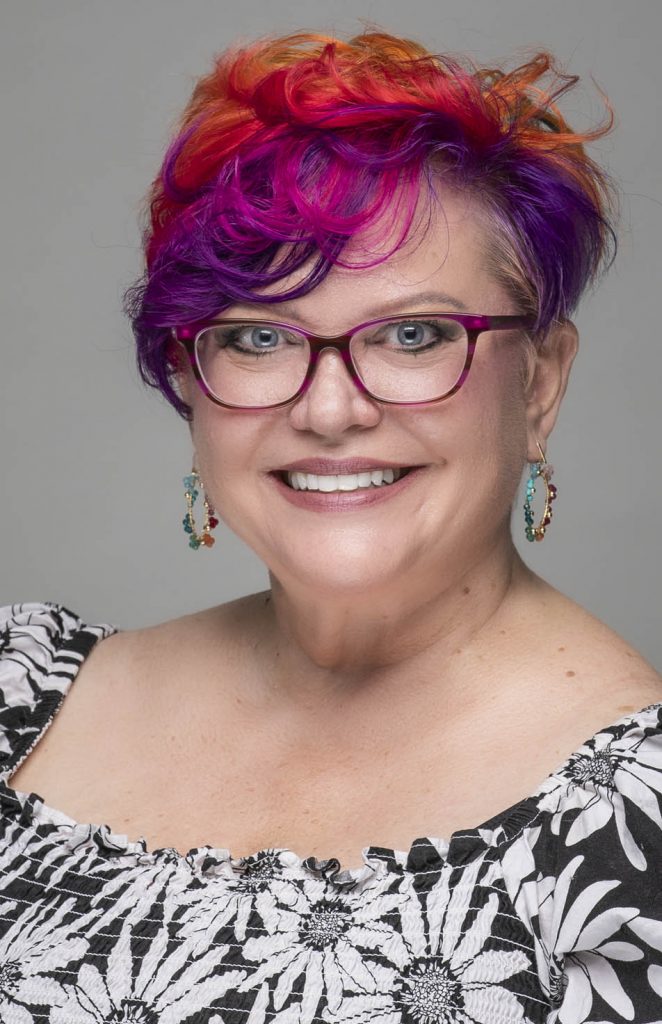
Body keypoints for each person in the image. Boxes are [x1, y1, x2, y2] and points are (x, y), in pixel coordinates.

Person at [0, 28, 660, 1023]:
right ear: (189, 379)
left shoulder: (641, 828)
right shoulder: (20, 695)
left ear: (539, 383)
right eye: (259, 337)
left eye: (412, 334)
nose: (329, 409)